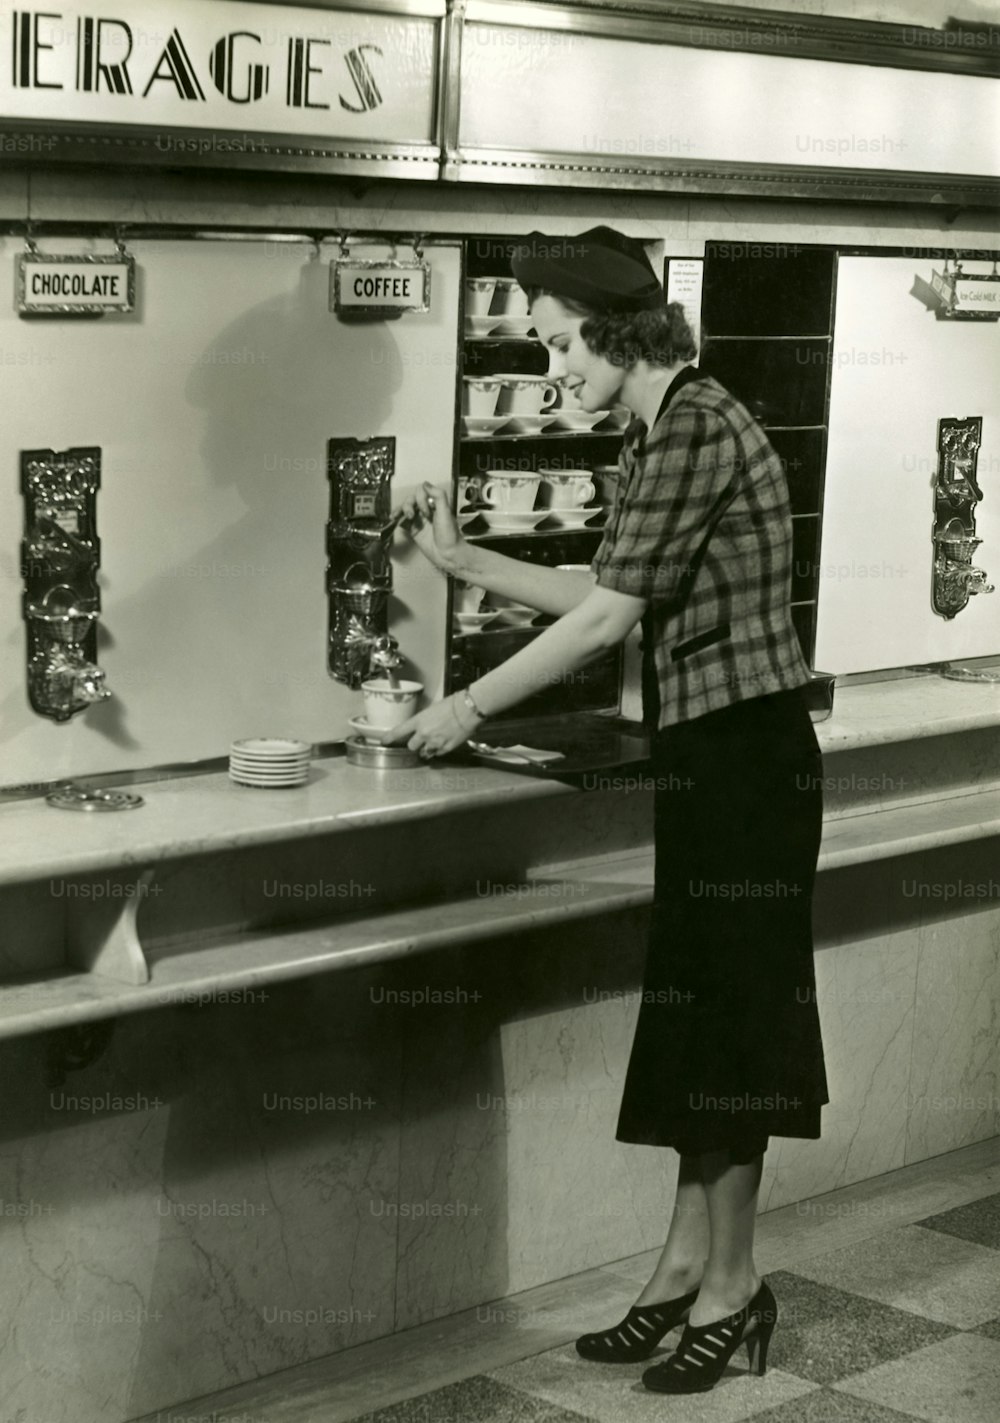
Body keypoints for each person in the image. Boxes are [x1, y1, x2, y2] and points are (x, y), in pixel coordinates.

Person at [387, 226, 828, 1395]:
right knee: (698, 1024)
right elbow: (603, 585)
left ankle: (735, 1287)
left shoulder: (692, 422)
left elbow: (603, 623)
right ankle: (684, 1266)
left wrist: (465, 704)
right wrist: (464, 562)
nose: (550, 367)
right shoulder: (656, 428)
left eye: (556, 341)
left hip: (749, 758)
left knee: (734, 1028)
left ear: (610, 329)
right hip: (713, 756)